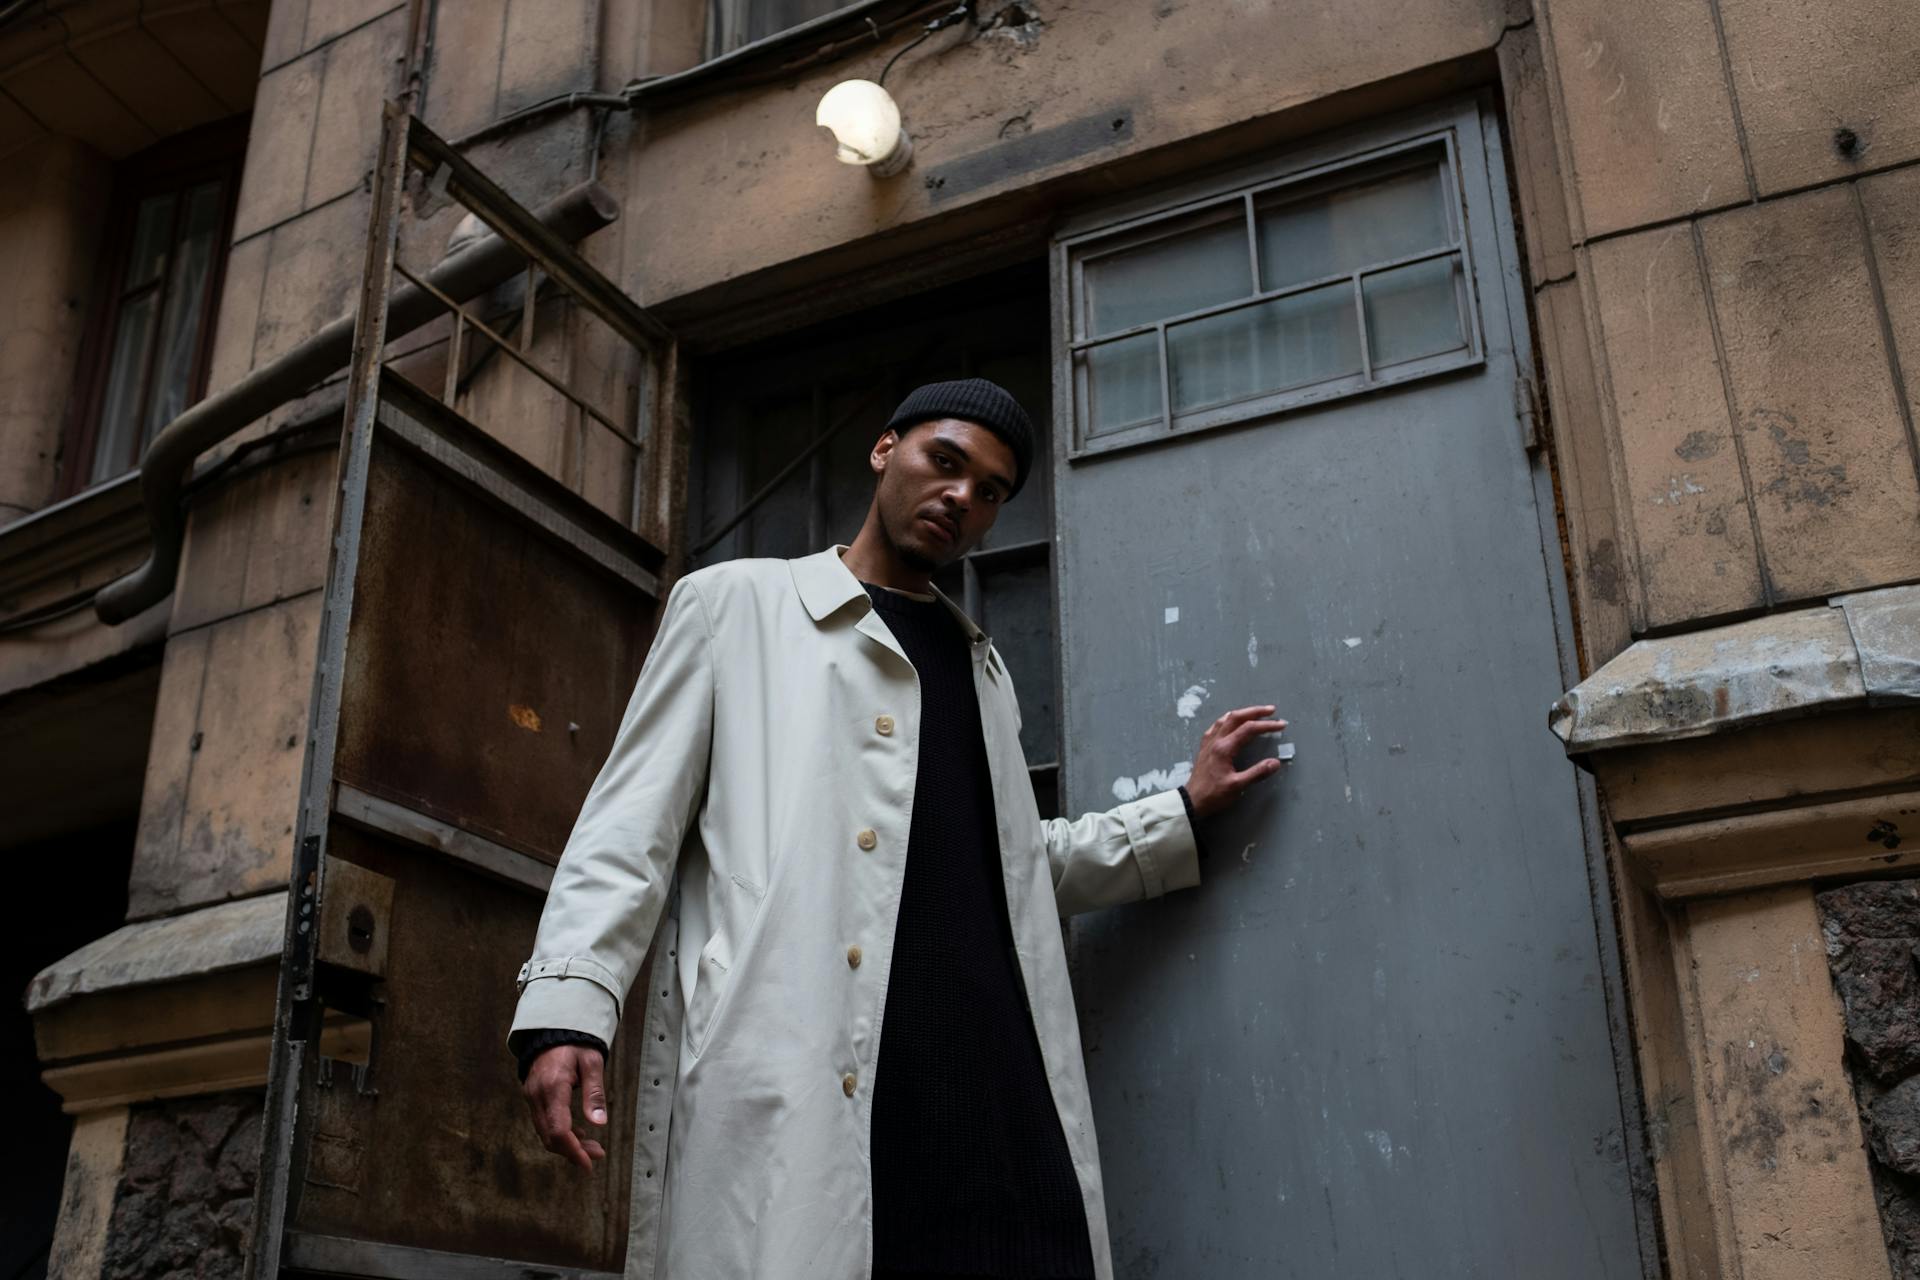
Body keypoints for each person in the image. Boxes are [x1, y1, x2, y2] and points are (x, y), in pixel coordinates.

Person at [510, 377, 1287, 1279]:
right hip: (825, 1083)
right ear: (886, 450)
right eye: (945, 462)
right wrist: (567, 1008)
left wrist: (1180, 815)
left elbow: (1010, 867)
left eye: (990, 490)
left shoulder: (980, 672)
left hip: (998, 1098)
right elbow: (627, 826)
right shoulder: (735, 609)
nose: (961, 497)